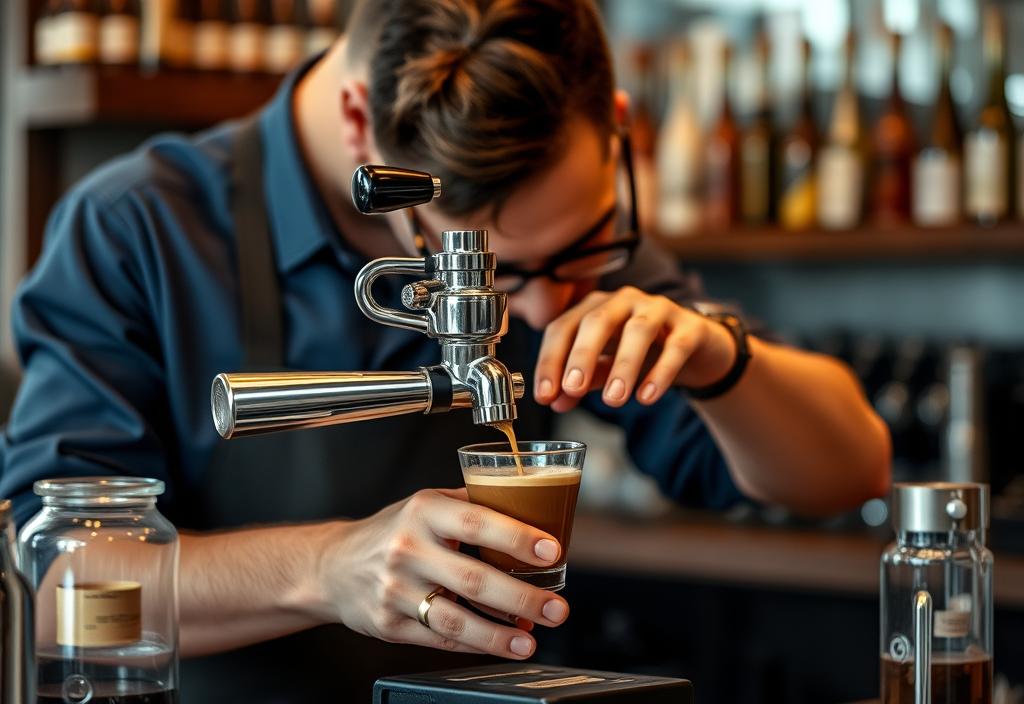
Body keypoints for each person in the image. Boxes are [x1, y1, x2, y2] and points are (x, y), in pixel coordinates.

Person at [0, 0, 891, 699]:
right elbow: (56, 592)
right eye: (502, 276)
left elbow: (848, 472)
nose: (547, 305)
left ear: (616, 126)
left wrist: (718, 359)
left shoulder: (556, 247)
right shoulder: (138, 231)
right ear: (362, 125)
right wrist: (323, 569)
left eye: (580, 246)